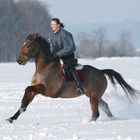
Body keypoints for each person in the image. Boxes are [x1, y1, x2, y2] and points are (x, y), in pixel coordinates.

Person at [48, 18, 84, 96]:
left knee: (69, 68)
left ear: (58, 25)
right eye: (51, 24)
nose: (51, 26)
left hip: (68, 56)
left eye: (53, 24)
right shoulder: (51, 34)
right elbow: (52, 47)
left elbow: (71, 48)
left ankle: (79, 87)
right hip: (56, 56)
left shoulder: (65, 34)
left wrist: (58, 54)